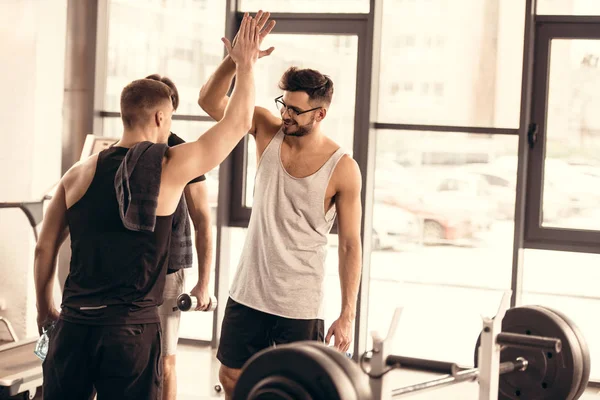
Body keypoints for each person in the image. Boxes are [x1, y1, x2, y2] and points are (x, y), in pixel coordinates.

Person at [33, 14, 265, 399]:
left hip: (74, 326)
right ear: (160, 116)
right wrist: (246, 64)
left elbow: (45, 247)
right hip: (129, 333)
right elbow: (239, 122)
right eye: (169, 117)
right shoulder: (166, 167)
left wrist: (45, 309)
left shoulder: (76, 173)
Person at [198, 10, 363, 398]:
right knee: (232, 377)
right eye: (283, 104)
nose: (285, 114)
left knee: (298, 388)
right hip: (249, 289)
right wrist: (238, 60)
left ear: (320, 114)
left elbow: (350, 244)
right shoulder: (266, 128)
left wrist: (347, 314)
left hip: (299, 300)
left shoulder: (344, 169)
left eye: (295, 109)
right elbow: (209, 101)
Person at [145, 74, 214, 400]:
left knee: (165, 359)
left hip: (169, 268)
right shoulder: (125, 151)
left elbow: (203, 220)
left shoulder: (183, 153)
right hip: (130, 269)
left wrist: (203, 282)